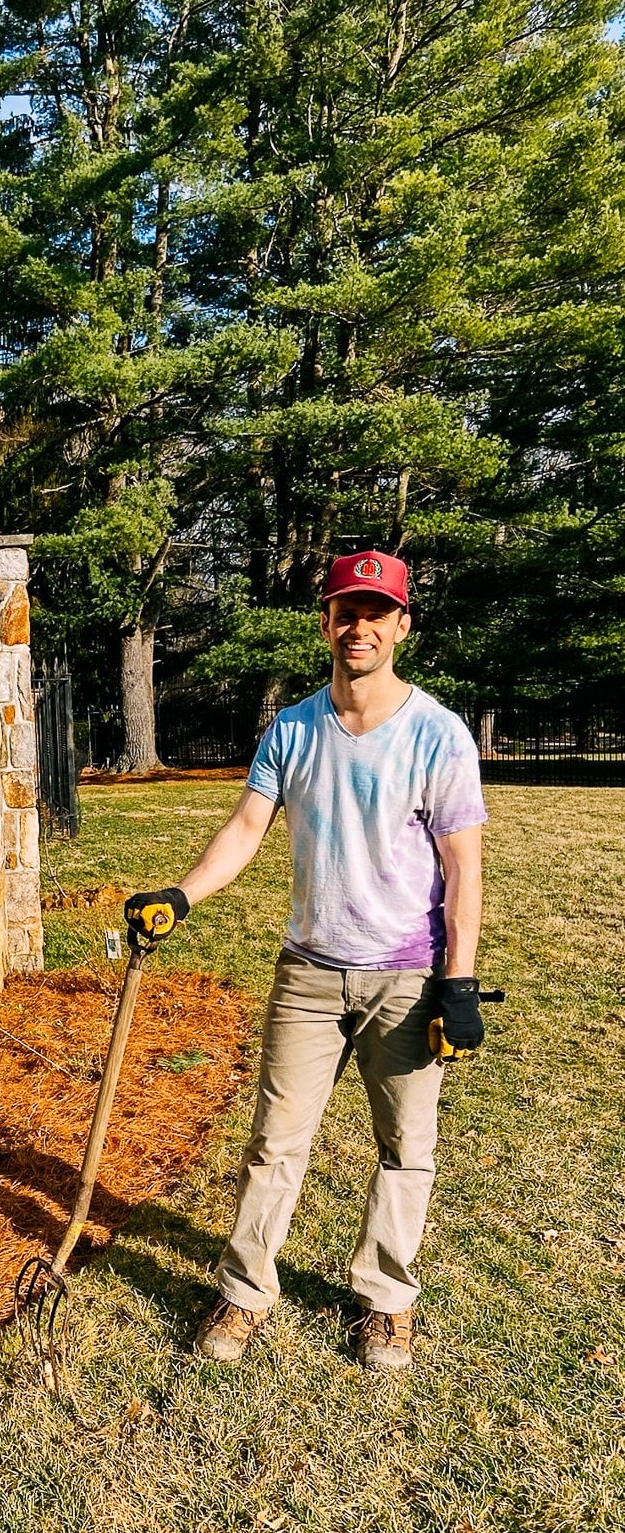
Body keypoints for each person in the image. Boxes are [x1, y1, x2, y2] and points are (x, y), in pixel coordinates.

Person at [124, 550, 489, 1372]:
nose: (359, 626)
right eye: (345, 611)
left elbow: (464, 867)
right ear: (326, 622)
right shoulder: (292, 728)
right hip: (309, 971)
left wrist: (457, 982)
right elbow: (248, 827)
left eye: (376, 612)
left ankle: (387, 1300)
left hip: (406, 976)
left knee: (406, 1146)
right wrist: (180, 896)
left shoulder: (438, 734)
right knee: (273, 1143)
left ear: (401, 625)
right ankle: (246, 1291)